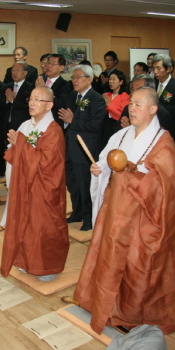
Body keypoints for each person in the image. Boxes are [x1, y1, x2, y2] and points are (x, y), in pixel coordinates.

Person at [74, 87, 175, 335]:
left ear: (153, 109)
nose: (131, 108)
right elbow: (105, 160)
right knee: (107, 256)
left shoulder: (163, 143)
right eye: (130, 103)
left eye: (138, 105)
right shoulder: (121, 135)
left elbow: (163, 187)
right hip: (115, 211)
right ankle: (102, 304)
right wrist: (100, 170)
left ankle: (128, 312)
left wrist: (128, 175)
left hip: (140, 218)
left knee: (135, 265)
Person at [0, 86, 68, 281]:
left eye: (38, 100)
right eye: (31, 99)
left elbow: (47, 165)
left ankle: (47, 267)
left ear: (49, 105)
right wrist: (19, 146)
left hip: (44, 189)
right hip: (24, 185)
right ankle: (24, 261)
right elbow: (14, 155)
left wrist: (21, 145)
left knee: (42, 226)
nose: (31, 103)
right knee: (25, 224)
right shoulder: (25, 126)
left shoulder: (54, 131)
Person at [60, 64, 106, 231]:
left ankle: (89, 218)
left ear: (89, 79)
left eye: (78, 77)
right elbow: (67, 121)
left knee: (85, 185)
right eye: (73, 77)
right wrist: (67, 121)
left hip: (86, 150)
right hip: (71, 148)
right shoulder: (73, 97)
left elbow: (95, 125)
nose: (74, 80)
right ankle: (77, 212)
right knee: (72, 185)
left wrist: (73, 121)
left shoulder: (97, 99)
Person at [152, 54, 175, 141]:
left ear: (169, 69)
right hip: (150, 127)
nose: (155, 71)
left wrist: (156, 106)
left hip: (166, 128)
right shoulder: (151, 83)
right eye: (154, 68)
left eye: (158, 68)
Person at [35, 54, 73, 127]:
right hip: (36, 121)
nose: (49, 66)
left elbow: (60, 104)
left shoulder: (65, 85)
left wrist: (44, 89)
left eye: (53, 64)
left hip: (53, 123)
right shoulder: (39, 79)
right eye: (48, 63)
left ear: (61, 68)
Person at [3, 61, 33, 132]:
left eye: (18, 70)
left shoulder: (30, 87)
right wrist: (7, 100)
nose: (14, 73)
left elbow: (27, 106)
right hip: (6, 124)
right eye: (13, 70)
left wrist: (13, 101)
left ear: (25, 72)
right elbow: (0, 104)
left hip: (22, 124)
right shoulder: (6, 87)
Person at [101, 72, 129, 144]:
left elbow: (121, 113)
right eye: (110, 79)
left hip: (117, 124)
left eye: (114, 79)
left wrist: (109, 104)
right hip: (106, 123)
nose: (111, 82)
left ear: (121, 82)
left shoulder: (125, 96)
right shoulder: (106, 95)